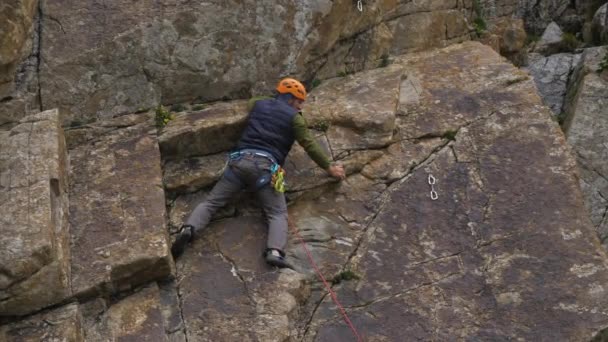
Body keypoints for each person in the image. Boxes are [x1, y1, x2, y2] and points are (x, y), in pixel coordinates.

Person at [171, 78, 346, 268]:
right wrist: (329, 168)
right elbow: (309, 144)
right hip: (265, 168)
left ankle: (188, 228)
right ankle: (274, 252)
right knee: (277, 213)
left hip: (239, 162)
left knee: (212, 202)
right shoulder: (295, 118)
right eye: (299, 101)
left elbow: (254, 100)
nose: (300, 106)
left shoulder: (259, 104)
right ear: (290, 99)